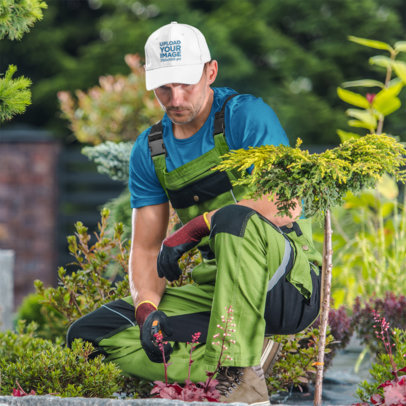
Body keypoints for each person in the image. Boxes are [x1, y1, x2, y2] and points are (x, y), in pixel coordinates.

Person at [67, 22, 322, 405]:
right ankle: (234, 364)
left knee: (233, 219)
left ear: (211, 71)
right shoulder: (151, 149)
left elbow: (287, 203)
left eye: (186, 83)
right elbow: (146, 250)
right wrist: (146, 308)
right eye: (164, 87)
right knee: (93, 334)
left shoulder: (244, 116)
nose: (176, 97)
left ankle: (241, 383)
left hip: (285, 284)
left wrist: (199, 224)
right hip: (215, 294)